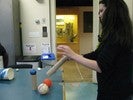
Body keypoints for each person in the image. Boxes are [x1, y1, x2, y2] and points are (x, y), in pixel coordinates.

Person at [57, 0, 133, 100]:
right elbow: (96, 54)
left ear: (112, 12)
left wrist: (73, 55)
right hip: (107, 90)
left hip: (115, 94)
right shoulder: (112, 35)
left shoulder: (117, 37)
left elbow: (100, 66)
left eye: (101, 11)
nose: (99, 15)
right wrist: (74, 56)